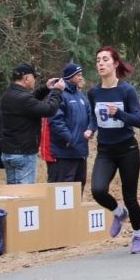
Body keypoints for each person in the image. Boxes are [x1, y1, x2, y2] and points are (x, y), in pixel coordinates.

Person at [87, 47, 140, 254]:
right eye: (98, 60)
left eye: (105, 60)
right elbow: (93, 116)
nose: (101, 63)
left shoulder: (126, 90)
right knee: (97, 189)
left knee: (130, 196)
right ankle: (118, 212)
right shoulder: (94, 92)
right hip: (105, 150)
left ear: (115, 64)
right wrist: (90, 129)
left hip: (127, 149)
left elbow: (138, 121)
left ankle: (138, 235)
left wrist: (119, 113)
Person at [0, 63, 65, 184]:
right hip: (23, 154)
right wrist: (57, 91)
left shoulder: (8, 95)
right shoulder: (24, 99)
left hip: (9, 153)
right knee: (25, 198)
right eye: (34, 77)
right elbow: (49, 110)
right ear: (26, 78)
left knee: (13, 196)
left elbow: (30, 102)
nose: (35, 80)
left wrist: (45, 88)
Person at [48, 63, 92, 192]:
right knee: (65, 188)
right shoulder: (59, 94)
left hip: (81, 150)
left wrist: (91, 129)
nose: (80, 78)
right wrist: (68, 138)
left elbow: (90, 115)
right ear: (70, 76)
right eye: (78, 75)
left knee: (79, 186)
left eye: (81, 75)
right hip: (65, 151)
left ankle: (77, 212)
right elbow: (55, 119)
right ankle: (63, 213)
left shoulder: (80, 96)